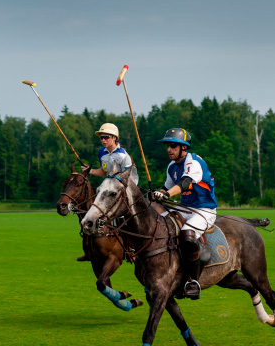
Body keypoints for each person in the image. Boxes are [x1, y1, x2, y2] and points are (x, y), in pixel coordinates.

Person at [151, 128, 217, 299]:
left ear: (184, 148)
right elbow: (166, 187)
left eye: (173, 146)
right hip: (185, 208)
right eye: (167, 146)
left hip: (204, 210)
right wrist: (155, 194)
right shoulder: (172, 166)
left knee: (187, 235)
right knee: (157, 219)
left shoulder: (193, 163)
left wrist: (165, 195)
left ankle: (192, 281)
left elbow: (185, 183)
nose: (169, 150)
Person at [77, 123, 136, 261]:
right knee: (92, 212)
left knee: (123, 217)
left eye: (106, 137)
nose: (103, 140)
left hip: (125, 188)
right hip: (108, 188)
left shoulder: (123, 156)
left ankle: (130, 249)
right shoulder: (101, 152)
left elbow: (129, 177)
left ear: (115, 138)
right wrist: (89, 171)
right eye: (101, 138)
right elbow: (104, 172)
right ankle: (90, 249)